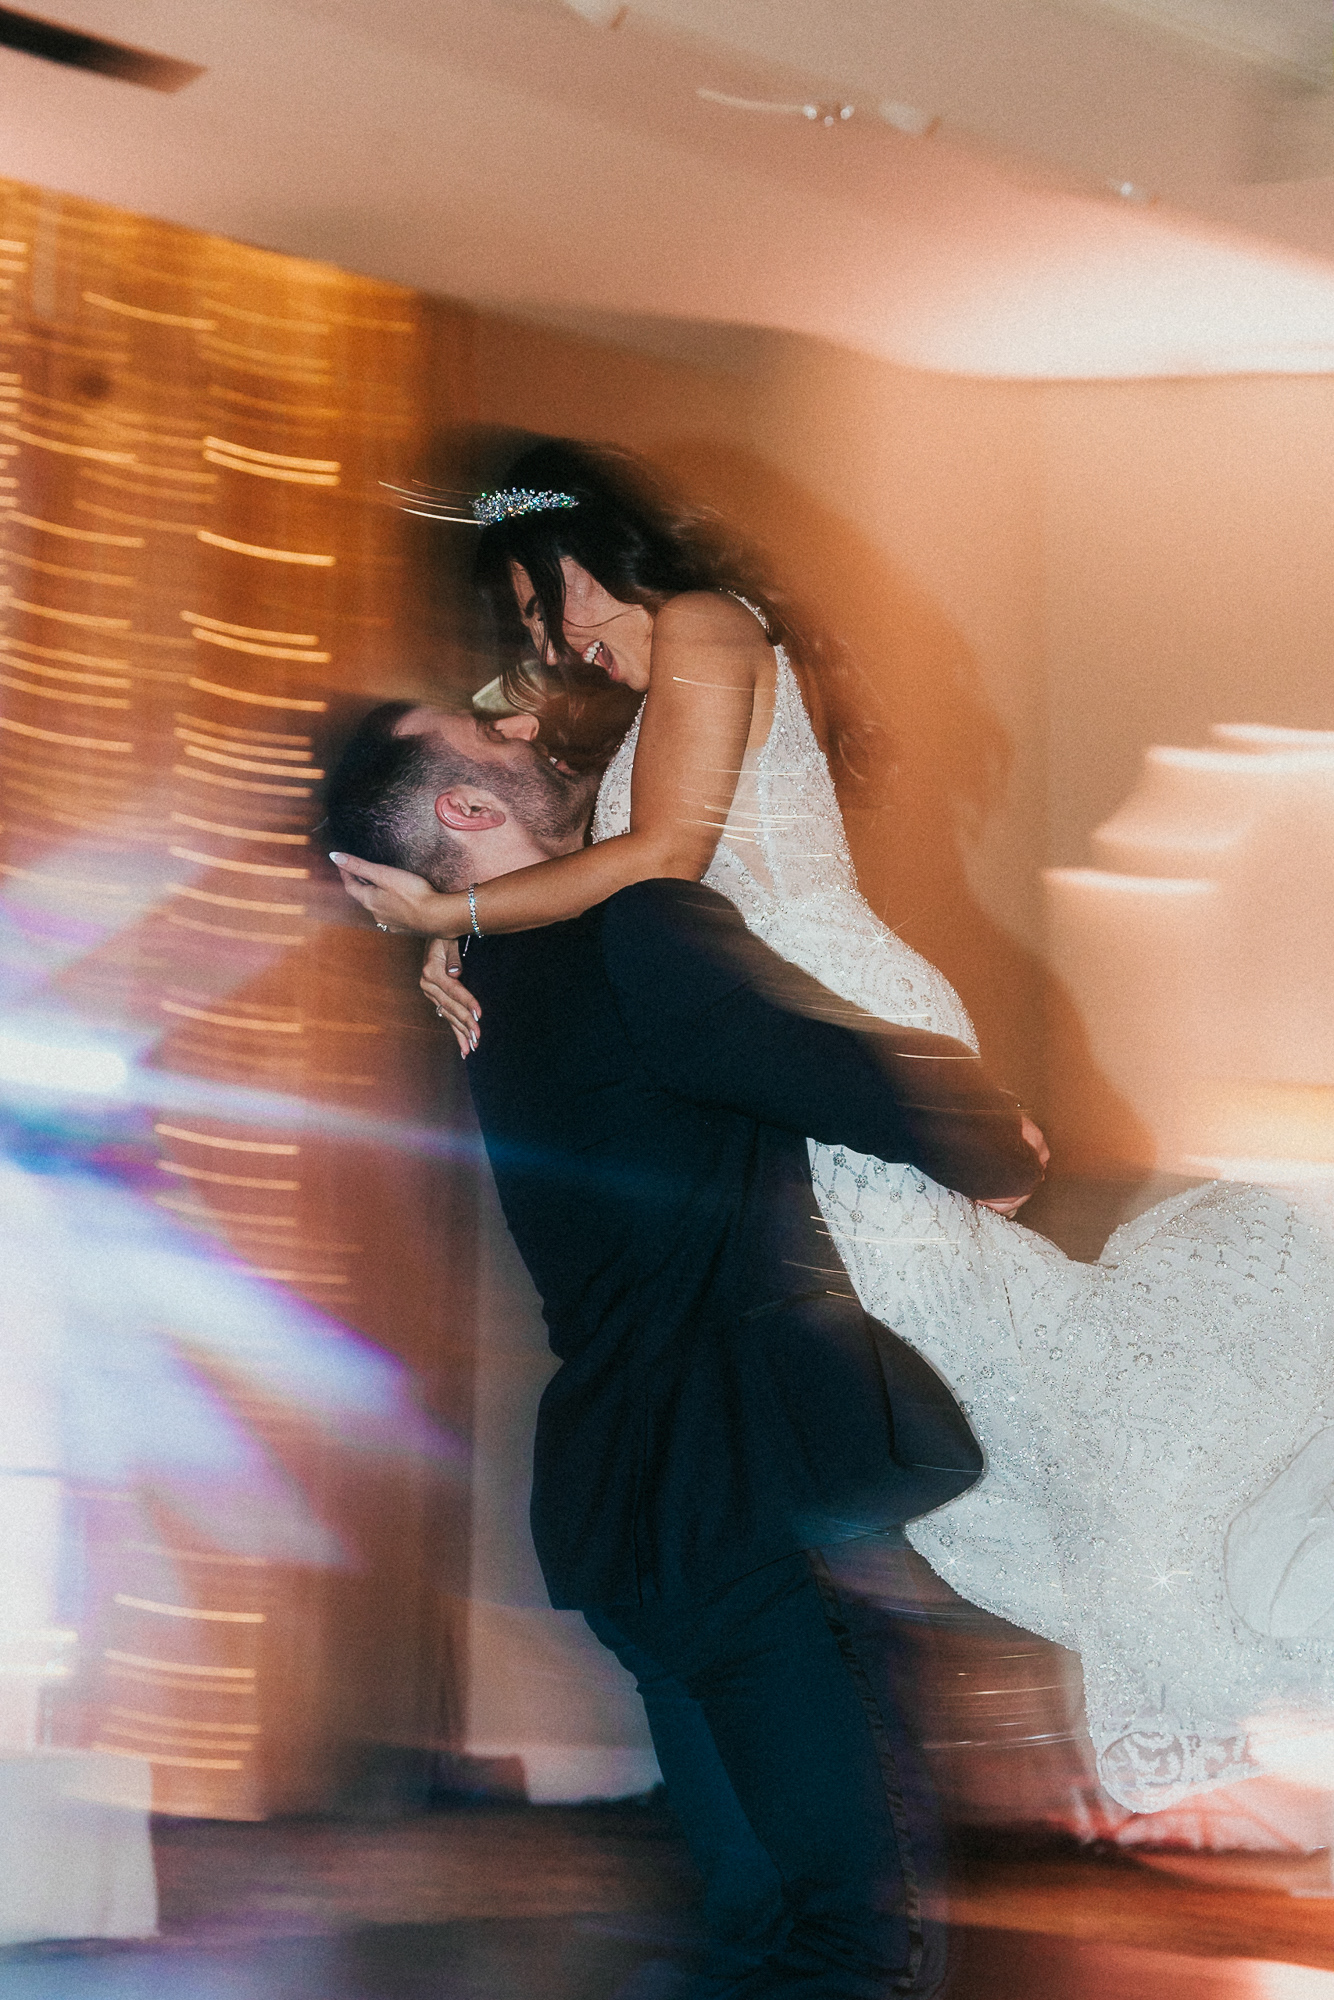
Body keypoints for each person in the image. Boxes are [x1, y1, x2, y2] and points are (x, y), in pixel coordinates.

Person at [330, 442, 1334, 1817]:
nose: (543, 651)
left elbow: (660, 859)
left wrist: (450, 913)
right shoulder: (632, 689)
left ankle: (1230, 1560)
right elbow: (520, 791)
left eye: (536, 604)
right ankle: (1197, 1561)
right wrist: (461, 941)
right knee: (982, 1366)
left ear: (577, 558)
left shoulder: (704, 624)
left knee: (1001, 1363)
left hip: (832, 1010)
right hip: (781, 1038)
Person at [325, 696, 1044, 1996]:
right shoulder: (629, 928)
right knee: (844, 1940)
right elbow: (813, 1062)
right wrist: (991, 1137)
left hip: (631, 1495)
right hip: (736, 1468)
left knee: (759, 1937)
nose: (525, 726)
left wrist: (440, 925)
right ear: (466, 810)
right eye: (492, 741)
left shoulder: (485, 982)